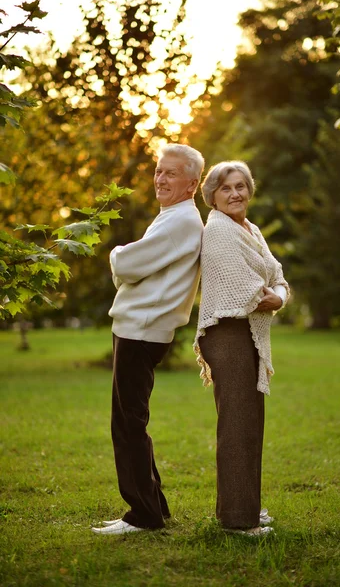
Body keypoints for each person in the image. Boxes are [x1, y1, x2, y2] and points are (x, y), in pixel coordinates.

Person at [92, 144, 204, 535]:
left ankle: (144, 516)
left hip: (142, 330)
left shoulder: (182, 221)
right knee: (129, 421)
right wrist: (129, 267)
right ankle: (154, 506)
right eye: (159, 171)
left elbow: (128, 263)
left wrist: (119, 256)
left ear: (192, 184)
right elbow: (136, 269)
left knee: (128, 425)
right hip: (137, 328)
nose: (160, 179)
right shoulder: (173, 216)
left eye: (171, 173)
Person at [193, 160, 289, 536]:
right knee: (236, 426)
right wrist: (274, 295)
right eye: (226, 188)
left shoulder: (250, 228)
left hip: (248, 334)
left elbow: (277, 278)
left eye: (241, 187)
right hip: (227, 334)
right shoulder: (217, 231)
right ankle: (236, 520)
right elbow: (251, 290)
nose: (236, 194)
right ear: (212, 196)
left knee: (250, 425)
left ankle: (242, 506)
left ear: (249, 190)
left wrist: (279, 297)